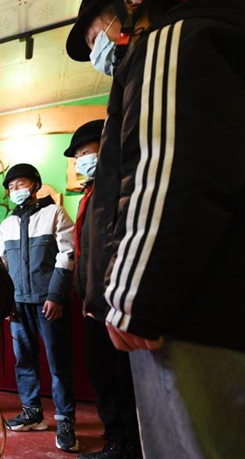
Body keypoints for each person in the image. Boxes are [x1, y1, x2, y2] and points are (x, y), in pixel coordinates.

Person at [66, 0, 245, 457]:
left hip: (197, 318)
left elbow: (169, 171)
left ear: (132, 2)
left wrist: (133, 296)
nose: (98, 51)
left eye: (95, 36)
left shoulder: (172, 38)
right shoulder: (236, 30)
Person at [65, 120, 140, 459]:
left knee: (124, 379)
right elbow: (87, 253)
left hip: (116, 301)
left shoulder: (120, 186)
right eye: (78, 155)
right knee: (102, 374)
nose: (82, 159)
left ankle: (132, 445)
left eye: (87, 151)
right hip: (93, 303)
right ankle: (116, 440)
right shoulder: (89, 194)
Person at [0, 163, 78, 452]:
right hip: (18, 306)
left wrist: (56, 296)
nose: (16, 190)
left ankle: (65, 420)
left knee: (59, 363)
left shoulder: (54, 213)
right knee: (24, 360)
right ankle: (32, 413)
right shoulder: (6, 224)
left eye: (21, 183)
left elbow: (68, 254)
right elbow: (1, 265)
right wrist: (6, 302)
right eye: (11, 187)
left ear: (35, 184)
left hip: (48, 303)